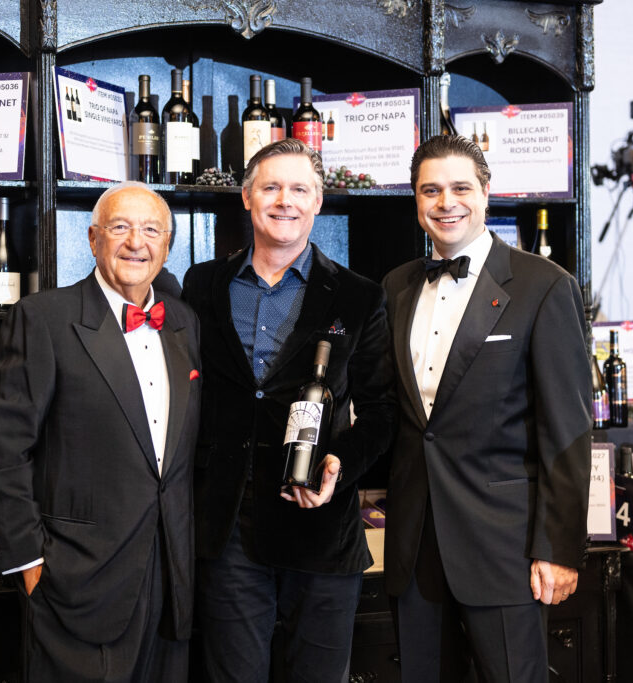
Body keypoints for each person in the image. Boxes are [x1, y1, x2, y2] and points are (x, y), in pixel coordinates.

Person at [182, 138, 397, 683]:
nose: (286, 201)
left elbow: (380, 411)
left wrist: (338, 467)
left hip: (318, 523)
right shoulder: (202, 284)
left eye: (300, 188)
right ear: (248, 199)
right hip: (227, 524)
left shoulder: (359, 296)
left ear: (318, 201)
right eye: (271, 188)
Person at [382, 135, 592, 682]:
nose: (446, 202)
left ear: (486, 192)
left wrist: (559, 547)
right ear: (416, 200)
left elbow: (567, 429)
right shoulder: (397, 286)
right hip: (415, 544)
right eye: (430, 190)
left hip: (505, 548)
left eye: (459, 188)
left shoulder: (544, 285)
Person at [0, 181, 202, 682]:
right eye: (119, 227)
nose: (135, 242)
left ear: (167, 245)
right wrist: (28, 563)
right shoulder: (43, 319)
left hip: (171, 581)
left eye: (150, 230)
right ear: (93, 238)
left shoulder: (184, 323)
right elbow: (3, 450)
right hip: (76, 582)